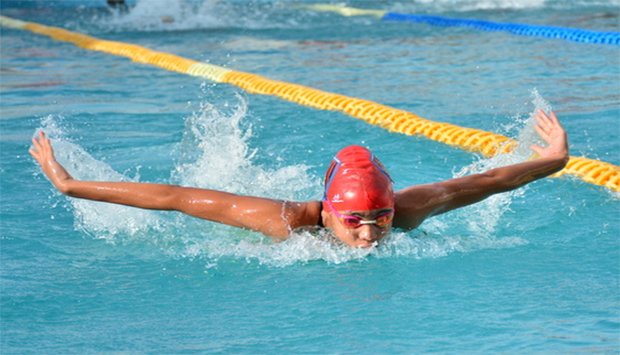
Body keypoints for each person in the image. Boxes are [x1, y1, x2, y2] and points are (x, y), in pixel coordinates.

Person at [30, 110, 568, 248]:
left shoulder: (409, 209)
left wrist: (555, 158)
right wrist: (69, 183)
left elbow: (491, 180)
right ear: (330, 210)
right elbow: (174, 198)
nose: (369, 234)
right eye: (355, 220)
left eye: (379, 219)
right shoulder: (286, 222)